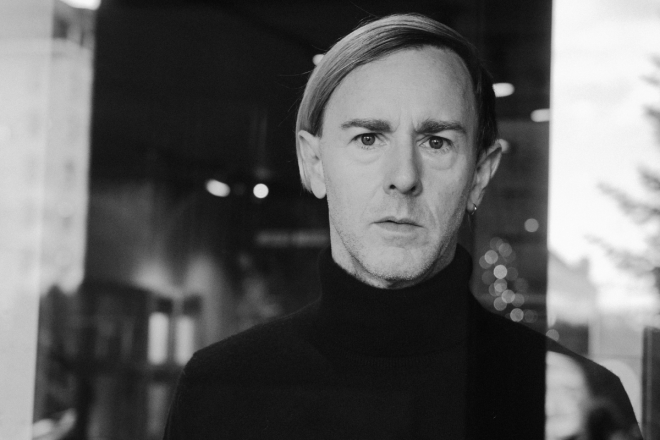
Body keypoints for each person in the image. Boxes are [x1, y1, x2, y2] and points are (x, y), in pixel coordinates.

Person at [163, 14, 640, 439]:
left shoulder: (577, 406)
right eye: (368, 138)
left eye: (436, 142)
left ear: (479, 175)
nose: (404, 177)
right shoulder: (220, 389)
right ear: (314, 163)